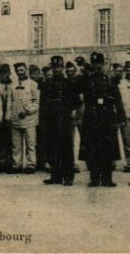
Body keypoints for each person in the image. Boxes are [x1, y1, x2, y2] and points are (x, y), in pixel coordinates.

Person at [78, 52, 125, 187]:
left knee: (107, 149)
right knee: (92, 149)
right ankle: (94, 179)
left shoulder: (109, 80)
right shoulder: (86, 79)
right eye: (94, 64)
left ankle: (107, 178)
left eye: (99, 64)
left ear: (103, 64)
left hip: (107, 118)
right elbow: (76, 91)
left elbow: (118, 99)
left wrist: (121, 117)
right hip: (91, 118)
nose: (97, 66)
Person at [41, 56, 81, 186]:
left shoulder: (69, 83)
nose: (57, 70)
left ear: (62, 68)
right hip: (51, 120)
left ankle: (68, 177)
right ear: (52, 68)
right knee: (52, 148)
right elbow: (43, 104)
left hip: (64, 120)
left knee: (66, 148)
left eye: (59, 67)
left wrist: (72, 112)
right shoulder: (47, 84)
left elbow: (76, 102)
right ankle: (55, 176)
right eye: (54, 67)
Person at [8, 62, 39, 174]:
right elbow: (9, 102)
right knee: (16, 144)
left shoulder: (33, 84)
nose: (20, 72)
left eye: (22, 70)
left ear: (25, 70)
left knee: (30, 143)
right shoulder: (12, 85)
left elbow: (37, 102)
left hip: (29, 119)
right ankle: (17, 164)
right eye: (18, 70)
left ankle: (31, 164)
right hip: (15, 119)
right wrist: (9, 117)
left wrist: (27, 111)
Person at [0, 63, 15, 174]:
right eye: (2, 73)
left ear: (9, 73)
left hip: (11, 117)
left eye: (6, 73)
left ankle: (10, 162)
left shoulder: (14, 85)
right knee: (0, 141)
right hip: (0, 117)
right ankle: (1, 162)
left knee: (11, 140)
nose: (4, 75)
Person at [66, 61, 83, 174]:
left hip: (81, 112)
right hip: (68, 114)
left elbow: (82, 97)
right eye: (68, 71)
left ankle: (90, 162)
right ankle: (73, 163)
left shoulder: (81, 81)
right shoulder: (65, 82)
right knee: (70, 140)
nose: (70, 73)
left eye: (72, 71)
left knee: (85, 138)